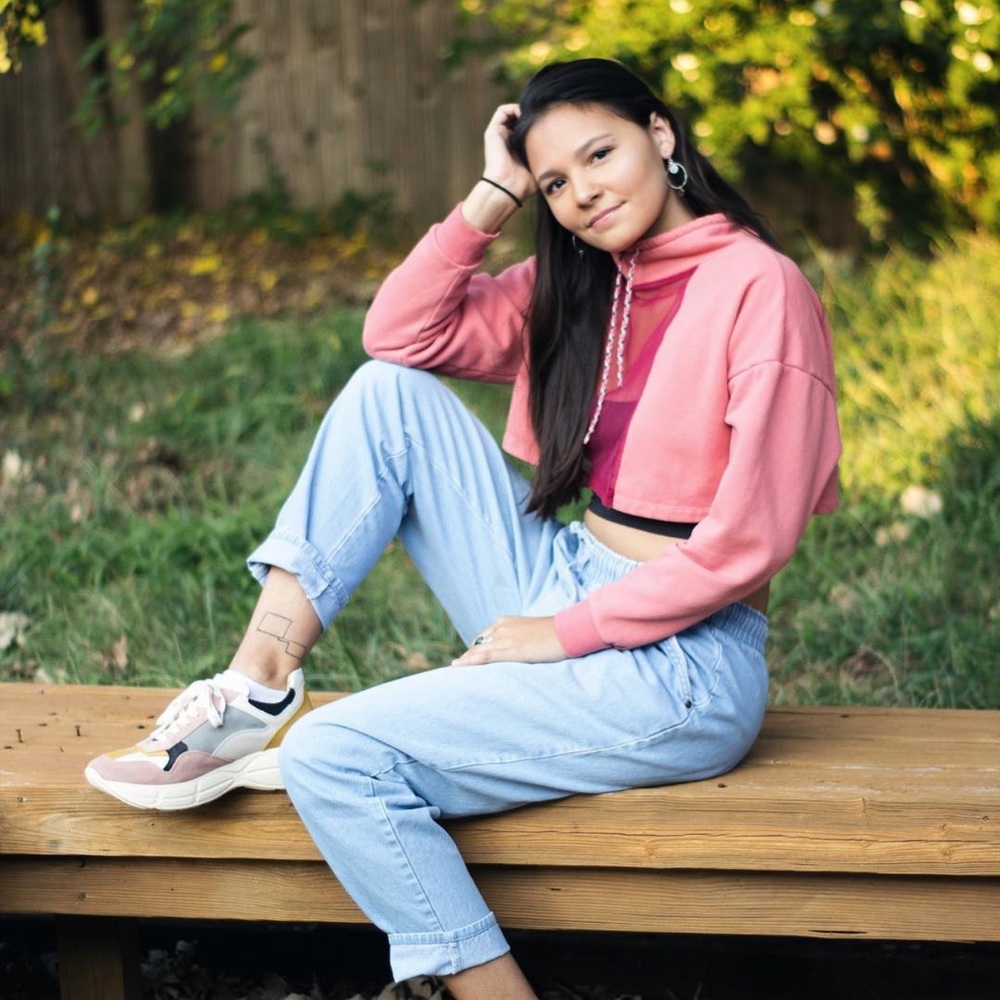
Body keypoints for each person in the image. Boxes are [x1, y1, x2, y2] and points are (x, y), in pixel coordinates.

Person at [85, 58, 841, 999]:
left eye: (599, 155)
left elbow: (750, 543)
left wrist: (563, 633)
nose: (581, 193)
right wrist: (494, 193)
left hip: (678, 666)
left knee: (336, 757)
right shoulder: (587, 279)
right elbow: (399, 337)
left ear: (661, 133)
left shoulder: (761, 288)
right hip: (567, 576)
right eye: (555, 182)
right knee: (387, 396)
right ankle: (255, 690)